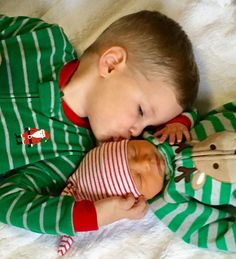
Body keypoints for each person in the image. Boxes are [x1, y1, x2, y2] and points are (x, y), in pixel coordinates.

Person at [0, 10, 199, 236]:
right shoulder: (45, 39)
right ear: (111, 64)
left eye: (147, 127)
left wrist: (95, 215)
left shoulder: (68, 156)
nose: (136, 131)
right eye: (141, 111)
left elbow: (7, 202)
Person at [58, 101, 236, 255]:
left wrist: (180, 122)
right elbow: (204, 230)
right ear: (138, 199)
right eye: (139, 178)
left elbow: (189, 109)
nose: (146, 162)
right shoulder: (168, 202)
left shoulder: (160, 133)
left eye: (135, 153)